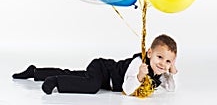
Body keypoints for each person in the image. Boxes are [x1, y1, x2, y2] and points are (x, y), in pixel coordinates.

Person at [12, 34, 178, 96]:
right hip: (103, 69)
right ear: (149, 54)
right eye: (159, 57)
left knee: (73, 75)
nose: (163, 64)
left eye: (168, 61)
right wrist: (140, 76)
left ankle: (35, 72)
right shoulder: (139, 64)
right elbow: (127, 90)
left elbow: (170, 88)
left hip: (106, 80)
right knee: (92, 86)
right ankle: (55, 81)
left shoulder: (160, 72)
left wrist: (172, 71)